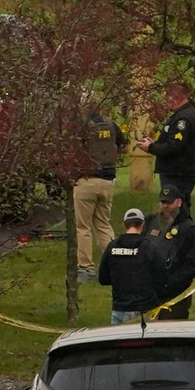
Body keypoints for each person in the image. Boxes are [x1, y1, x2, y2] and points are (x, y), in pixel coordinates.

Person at [74, 108, 127, 283]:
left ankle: (86, 269)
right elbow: (124, 147)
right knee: (103, 225)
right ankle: (113, 266)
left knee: (83, 227)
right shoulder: (111, 124)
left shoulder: (81, 126)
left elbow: (72, 150)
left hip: (86, 180)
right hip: (107, 181)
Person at [137, 82, 195, 211]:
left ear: (180, 98)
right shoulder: (179, 116)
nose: (167, 99)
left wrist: (151, 148)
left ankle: (181, 231)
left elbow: (174, 147)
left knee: (175, 208)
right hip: (175, 172)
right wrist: (155, 143)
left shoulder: (183, 120)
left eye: (170, 96)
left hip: (178, 174)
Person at [143, 184, 195, 320]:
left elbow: (192, 265)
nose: (165, 206)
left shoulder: (189, 229)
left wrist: (170, 284)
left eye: (169, 202)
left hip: (175, 297)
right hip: (148, 293)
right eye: (163, 202)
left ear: (179, 202)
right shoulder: (150, 221)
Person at [98, 207, 166, 325]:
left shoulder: (112, 247)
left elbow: (103, 278)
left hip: (120, 307)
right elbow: (161, 277)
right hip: (145, 308)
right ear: (143, 225)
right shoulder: (149, 247)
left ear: (124, 225)